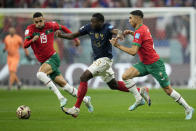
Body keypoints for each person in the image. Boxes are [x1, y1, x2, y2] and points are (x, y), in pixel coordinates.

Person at [56, 13, 151, 117]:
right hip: (98, 61)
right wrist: (61, 35)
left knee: (84, 77)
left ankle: (76, 108)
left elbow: (117, 31)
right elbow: (74, 35)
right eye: (91, 21)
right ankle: (141, 90)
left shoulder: (107, 27)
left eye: (94, 22)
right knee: (113, 85)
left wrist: (119, 35)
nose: (92, 24)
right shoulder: (88, 27)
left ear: (101, 22)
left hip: (105, 60)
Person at [110, 10, 194, 120]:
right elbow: (143, 38)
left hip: (155, 64)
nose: (129, 20)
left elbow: (133, 51)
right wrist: (132, 33)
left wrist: (117, 46)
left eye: (130, 18)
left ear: (137, 18)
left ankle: (188, 108)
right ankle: (139, 99)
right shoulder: (143, 28)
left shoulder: (140, 31)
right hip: (144, 64)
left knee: (168, 90)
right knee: (125, 76)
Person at [23, 12, 93, 112]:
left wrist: (75, 39)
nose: (39, 23)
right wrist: (32, 40)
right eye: (36, 22)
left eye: (40, 21)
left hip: (53, 58)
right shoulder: (30, 29)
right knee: (65, 86)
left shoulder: (51, 25)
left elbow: (63, 27)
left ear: (44, 19)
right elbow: (25, 45)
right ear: (33, 22)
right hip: (44, 62)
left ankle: (61, 97)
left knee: (40, 74)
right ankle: (86, 100)